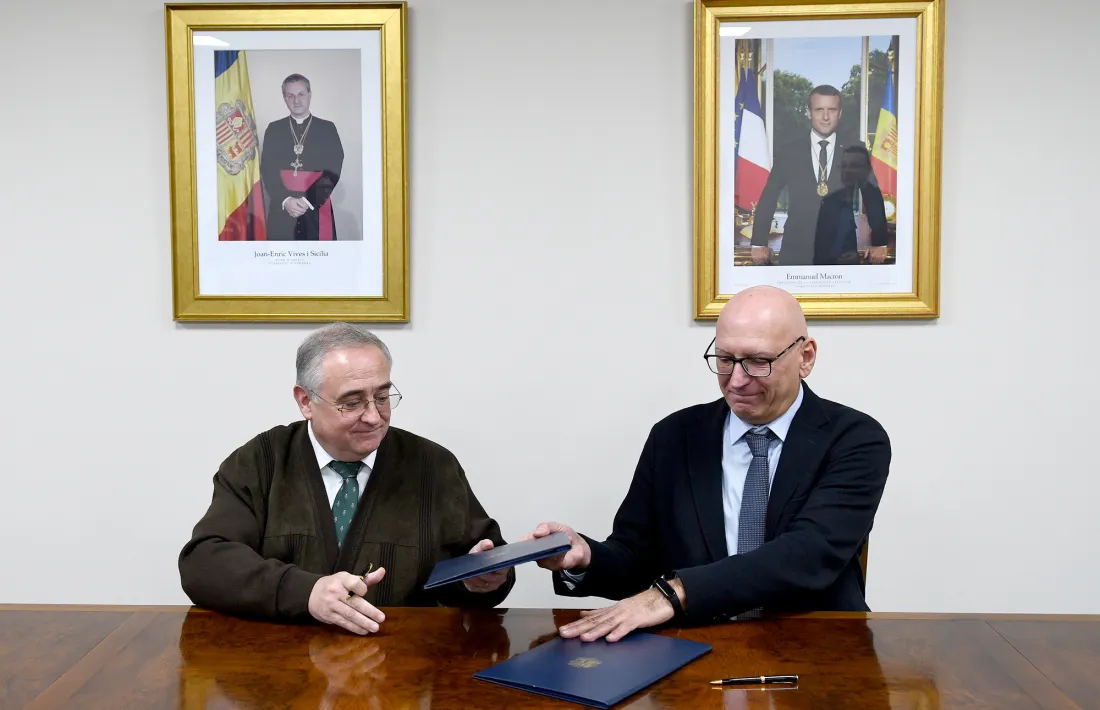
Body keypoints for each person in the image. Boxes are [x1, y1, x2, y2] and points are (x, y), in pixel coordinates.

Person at [527, 286, 890, 642]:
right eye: (725, 359)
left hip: (815, 649)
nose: (736, 381)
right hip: (696, 646)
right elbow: (637, 558)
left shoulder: (855, 439)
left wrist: (677, 592)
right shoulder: (674, 436)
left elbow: (809, 554)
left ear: (805, 357)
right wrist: (586, 557)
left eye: (758, 362)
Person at [179, 323, 514, 635]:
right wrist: (305, 592)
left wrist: (480, 580)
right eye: (352, 402)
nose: (373, 416)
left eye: (382, 397)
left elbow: (479, 564)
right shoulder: (260, 462)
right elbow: (204, 564)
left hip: (401, 667)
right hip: (282, 667)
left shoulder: (433, 466)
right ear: (305, 401)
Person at [750, 85, 889, 266]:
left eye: (831, 110)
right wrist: (759, 241)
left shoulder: (856, 150)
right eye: (819, 110)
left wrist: (880, 241)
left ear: (839, 114)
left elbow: (873, 197)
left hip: (842, 250)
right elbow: (770, 195)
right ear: (809, 113)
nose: (825, 117)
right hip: (796, 248)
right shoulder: (789, 150)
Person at [259, 73, 345, 241]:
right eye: (290, 96)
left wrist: (309, 200)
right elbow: (267, 168)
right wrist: (285, 199)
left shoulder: (327, 129)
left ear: (309, 94)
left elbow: (334, 168)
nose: (296, 100)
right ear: (284, 98)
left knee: (319, 261)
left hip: (316, 206)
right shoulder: (274, 129)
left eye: (301, 94)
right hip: (283, 207)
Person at [813, 145, 889, 265]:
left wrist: (879, 242)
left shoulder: (851, 151)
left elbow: (871, 194)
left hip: (841, 239)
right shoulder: (796, 149)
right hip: (799, 237)